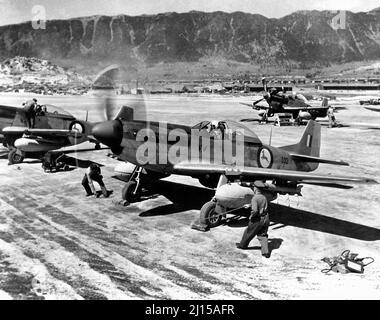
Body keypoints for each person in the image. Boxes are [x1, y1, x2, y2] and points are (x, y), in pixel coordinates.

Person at [236, 180, 270, 258]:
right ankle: (266, 252)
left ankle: (242, 245)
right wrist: (250, 205)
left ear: (255, 189)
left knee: (248, 232)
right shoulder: (264, 197)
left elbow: (255, 210)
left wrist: (251, 216)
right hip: (266, 218)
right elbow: (261, 205)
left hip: (257, 219)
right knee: (262, 235)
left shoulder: (255, 198)